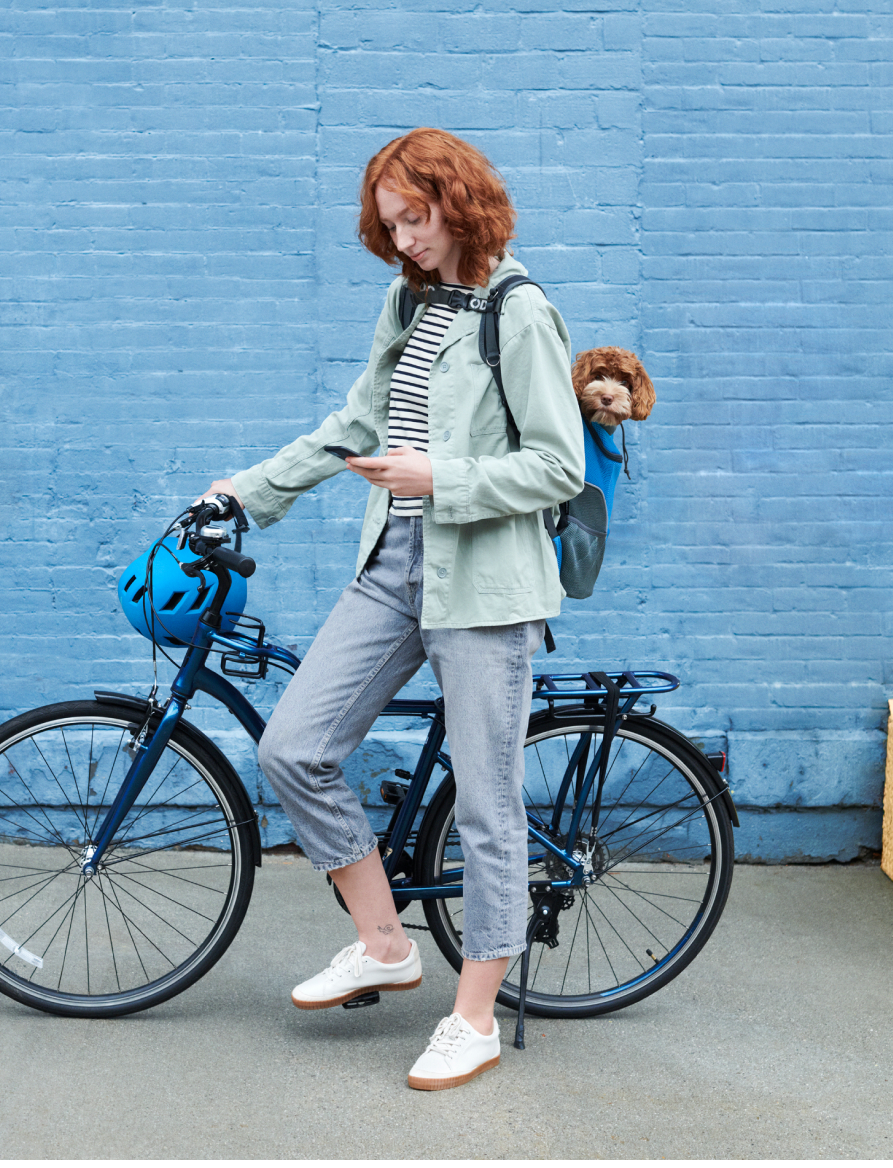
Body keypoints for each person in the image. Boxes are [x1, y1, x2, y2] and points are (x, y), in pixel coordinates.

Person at [199, 127, 585, 1091]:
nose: (405, 238)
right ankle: (383, 943)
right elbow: (358, 423)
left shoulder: (519, 311)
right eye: (391, 224)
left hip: (484, 581)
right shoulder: (409, 299)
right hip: (395, 560)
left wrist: (438, 475)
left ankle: (474, 1019)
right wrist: (249, 491)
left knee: (487, 806)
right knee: (294, 744)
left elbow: (557, 464)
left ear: (459, 201)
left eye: (416, 218)